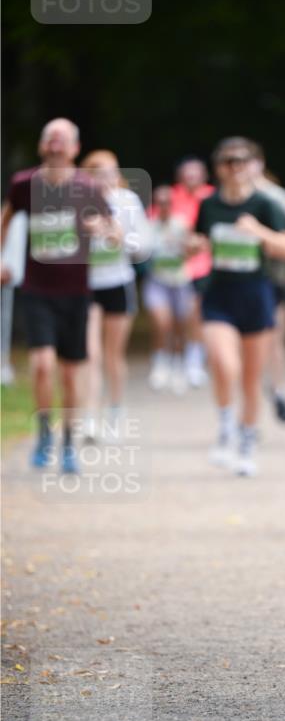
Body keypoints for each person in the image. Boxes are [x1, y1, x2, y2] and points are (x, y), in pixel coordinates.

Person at [0, 118, 120, 473]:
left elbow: (115, 233)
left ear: (74, 149)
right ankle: (42, 434)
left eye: (61, 140)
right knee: (40, 366)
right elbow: (6, 219)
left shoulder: (87, 187)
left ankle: (68, 441)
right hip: (37, 290)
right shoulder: (24, 184)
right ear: (41, 146)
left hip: (75, 293)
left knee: (69, 375)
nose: (54, 146)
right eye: (49, 139)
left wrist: (102, 228)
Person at [193, 137, 285, 476]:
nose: (235, 167)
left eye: (241, 160)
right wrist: (192, 246)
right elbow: (200, 241)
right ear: (218, 168)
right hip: (219, 295)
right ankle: (225, 426)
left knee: (251, 378)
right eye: (228, 161)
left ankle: (246, 440)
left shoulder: (265, 204)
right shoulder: (209, 204)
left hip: (256, 295)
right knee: (225, 364)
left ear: (253, 164)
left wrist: (257, 232)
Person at [80, 149, 149, 440]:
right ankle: (89, 417)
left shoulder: (127, 201)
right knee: (90, 354)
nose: (105, 177)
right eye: (98, 172)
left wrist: (120, 237)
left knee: (112, 355)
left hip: (118, 284)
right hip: (86, 286)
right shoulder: (77, 204)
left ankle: (115, 413)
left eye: (111, 171)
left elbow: (143, 247)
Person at [247, 153, 285, 423]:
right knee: (246, 345)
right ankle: (251, 406)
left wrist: (262, 239)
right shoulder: (223, 201)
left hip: (274, 279)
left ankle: (279, 389)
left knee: (275, 339)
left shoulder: (279, 198)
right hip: (240, 282)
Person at [143, 185, 195, 392]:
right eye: (160, 202)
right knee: (161, 323)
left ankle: (179, 364)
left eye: (167, 202)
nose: (163, 206)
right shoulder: (149, 226)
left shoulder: (182, 224)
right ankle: (160, 361)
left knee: (180, 326)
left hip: (180, 281)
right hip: (157, 281)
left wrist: (184, 247)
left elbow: (192, 250)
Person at [169, 157, 214, 387]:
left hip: (205, 265)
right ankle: (177, 358)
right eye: (187, 174)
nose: (191, 178)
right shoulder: (171, 197)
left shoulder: (212, 196)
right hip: (174, 265)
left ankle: (194, 360)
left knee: (196, 313)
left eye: (195, 173)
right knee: (175, 316)